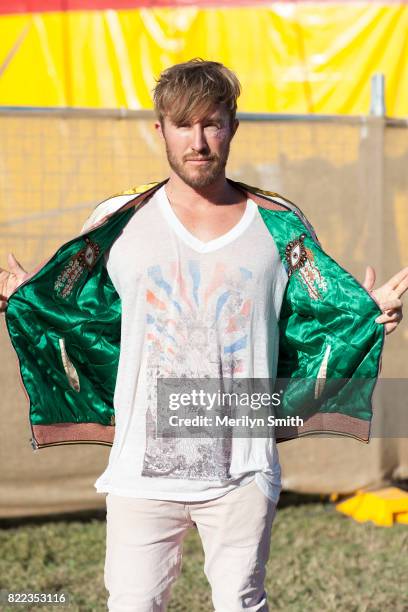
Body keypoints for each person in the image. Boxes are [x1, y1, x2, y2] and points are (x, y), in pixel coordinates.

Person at [1, 59, 407, 612]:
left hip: (243, 470)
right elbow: (82, 318)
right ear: (159, 129)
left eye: (211, 123)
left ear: (232, 125)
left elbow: (313, 323)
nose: (198, 141)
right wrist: (32, 300)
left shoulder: (280, 224)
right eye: (182, 125)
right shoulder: (116, 221)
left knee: (240, 604)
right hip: (139, 473)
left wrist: (366, 317)